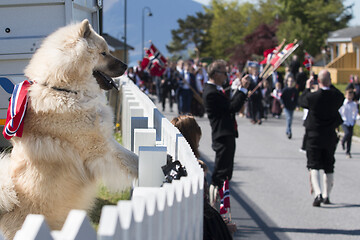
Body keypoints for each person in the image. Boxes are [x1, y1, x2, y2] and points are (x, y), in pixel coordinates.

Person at [171, 115, 233, 240]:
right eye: (197, 144)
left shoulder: (174, 164)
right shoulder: (192, 170)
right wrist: (222, 226)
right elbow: (201, 210)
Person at [203, 59, 250, 207]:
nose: (226, 76)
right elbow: (231, 107)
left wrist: (238, 88)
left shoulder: (215, 89)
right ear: (215, 74)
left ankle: (220, 207)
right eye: (224, 73)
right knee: (221, 173)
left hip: (226, 133)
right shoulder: (211, 92)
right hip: (222, 134)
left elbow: (228, 99)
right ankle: (215, 207)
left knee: (225, 172)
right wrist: (242, 90)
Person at [298, 69, 344, 207]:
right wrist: (329, 84)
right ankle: (326, 195)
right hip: (329, 135)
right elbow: (340, 96)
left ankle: (317, 193)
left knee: (314, 165)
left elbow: (302, 101)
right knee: (329, 166)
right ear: (330, 81)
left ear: (318, 81)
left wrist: (307, 87)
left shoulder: (313, 97)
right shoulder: (336, 97)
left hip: (314, 135)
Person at [339, 88, 358, 158]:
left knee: (350, 137)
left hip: (351, 121)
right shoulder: (343, 103)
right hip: (344, 121)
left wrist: (354, 118)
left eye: (351, 95)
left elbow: (355, 112)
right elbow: (339, 111)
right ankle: (343, 141)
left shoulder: (353, 104)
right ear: (346, 95)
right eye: (348, 95)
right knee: (347, 133)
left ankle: (348, 152)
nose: (350, 96)